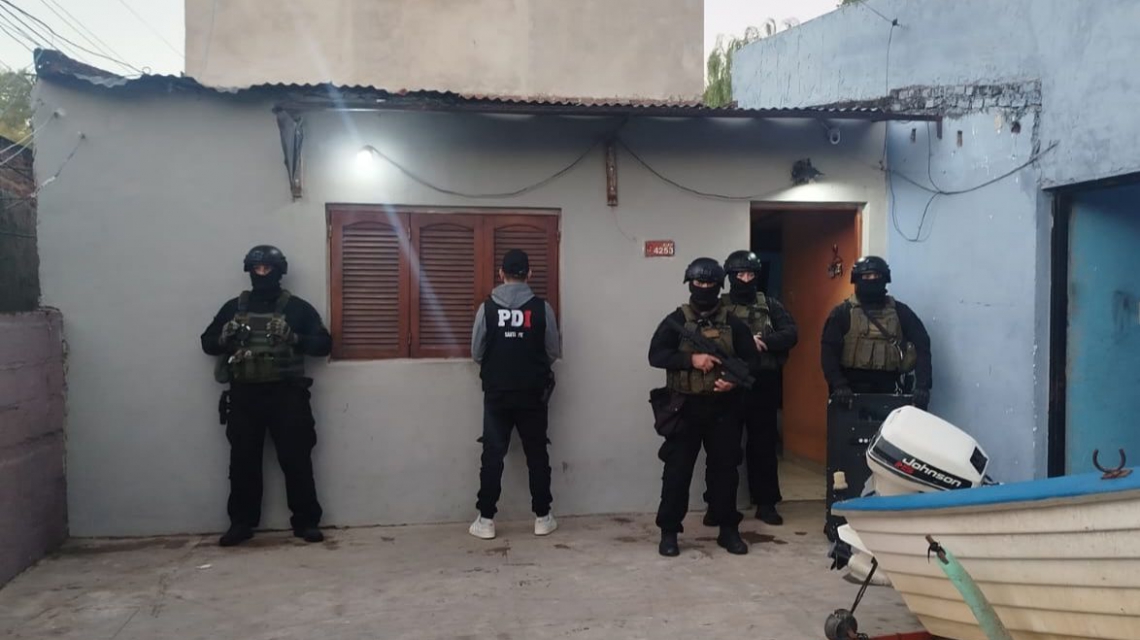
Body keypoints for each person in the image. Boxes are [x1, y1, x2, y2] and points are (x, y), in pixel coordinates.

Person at [200, 245, 332, 547]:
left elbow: (324, 345)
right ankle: (241, 523)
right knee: (242, 461)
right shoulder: (233, 308)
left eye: (267, 268)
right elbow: (207, 343)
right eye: (256, 269)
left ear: (278, 271)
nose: (262, 274)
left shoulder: (297, 308)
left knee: (296, 459)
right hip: (245, 395)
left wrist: (293, 337)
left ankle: (306, 521)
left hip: (287, 394)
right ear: (249, 271)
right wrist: (225, 337)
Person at [648, 257, 762, 557]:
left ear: (719, 286)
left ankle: (728, 530)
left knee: (725, 472)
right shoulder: (676, 320)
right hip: (684, 407)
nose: (704, 288)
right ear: (690, 284)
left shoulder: (733, 323)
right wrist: (691, 359)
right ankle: (669, 532)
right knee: (677, 472)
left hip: (723, 408)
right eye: (699, 282)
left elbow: (752, 360)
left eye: (710, 283)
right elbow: (656, 355)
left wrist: (732, 381)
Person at [468, 249, 562, 540]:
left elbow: (477, 353)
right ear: (529, 274)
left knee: (492, 455)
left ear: (501, 274)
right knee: (537, 454)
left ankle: (485, 520)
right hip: (533, 394)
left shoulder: (487, 309)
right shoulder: (542, 308)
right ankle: (542, 517)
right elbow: (552, 351)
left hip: (497, 394)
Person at [702, 250, 798, 527]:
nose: (745, 279)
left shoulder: (770, 304)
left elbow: (791, 333)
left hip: (762, 383)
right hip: (727, 383)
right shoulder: (718, 305)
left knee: (763, 446)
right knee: (722, 449)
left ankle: (766, 504)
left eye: (750, 274)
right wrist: (743, 342)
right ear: (730, 277)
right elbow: (702, 336)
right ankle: (717, 506)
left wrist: (764, 342)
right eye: (740, 274)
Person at [820, 255, 932, 409]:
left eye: (876, 276)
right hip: (850, 392)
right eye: (866, 276)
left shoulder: (901, 312)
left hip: (890, 389)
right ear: (857, 279)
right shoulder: (842, 313)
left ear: (885, 279)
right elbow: (829, 352)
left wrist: (922, 386)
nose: (872, 280)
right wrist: (838, 384)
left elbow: (922, 346)